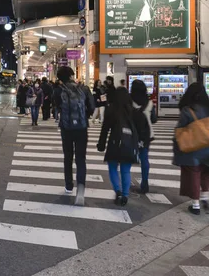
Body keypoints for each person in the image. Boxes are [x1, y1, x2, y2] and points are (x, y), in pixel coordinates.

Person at [97, 88, 148, 206]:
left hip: (115, 143)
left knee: (113, 168)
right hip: (129, 144)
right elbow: (141, 129)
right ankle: (125, 195)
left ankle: (118, 191)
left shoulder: (111, 110)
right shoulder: (133, 111)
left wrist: (101, 145)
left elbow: (105, 129)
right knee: (126, 171)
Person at [54, 66, 95, 206]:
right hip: (82, 128)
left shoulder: (59, 90)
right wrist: (84, 116)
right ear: (72, 75)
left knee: (68, 157)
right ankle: (81, 188)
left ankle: (68, 185)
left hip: (66, 128)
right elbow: (92, 107)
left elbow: (57, 106)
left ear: (60, 78)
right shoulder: (84, 89)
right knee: (81, 158)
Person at [173, 82, 209, 215]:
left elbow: (180, 129)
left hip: (194, 147)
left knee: (194, 174)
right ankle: (206, 197)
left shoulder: (188, 110)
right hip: (208, 146)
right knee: (205, 173)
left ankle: (195, 205)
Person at [131, 79, 156, 194]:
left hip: (132, 134)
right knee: (144, 158)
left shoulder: (130, 102)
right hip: (146, 135)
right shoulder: (150, 103)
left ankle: (126, 181)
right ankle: (144, 183)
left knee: (128, 158)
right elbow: (154, 120)